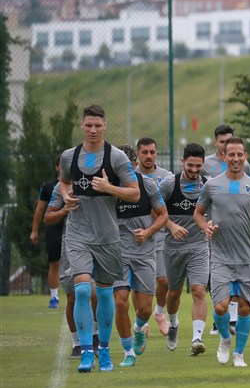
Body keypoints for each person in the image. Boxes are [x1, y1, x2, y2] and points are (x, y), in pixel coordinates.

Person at [59, 104, 140, 373]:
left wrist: (108, 188)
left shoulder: (116, 157)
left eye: (97, 125)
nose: (93, 130)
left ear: (105, 126)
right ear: (82, 126)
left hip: (107, 236)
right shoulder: (69, 156)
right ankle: (86, 352)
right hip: (78, 233)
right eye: (88, 125)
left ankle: (104, 350)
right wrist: (68, 196)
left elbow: (135, 193)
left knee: (105, 295)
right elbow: (64, 181)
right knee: (82, 290)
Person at [194, 137, 250, 368]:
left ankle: (239, 354)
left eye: (240, 155)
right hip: (220, 256)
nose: (236, 159)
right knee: (220, 306)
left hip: (247, 257)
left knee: (245, 307)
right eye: (231, 155)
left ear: (245, 156)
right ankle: (226, 339)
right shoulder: (212, 185)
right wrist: (204, 226)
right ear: (224, 156)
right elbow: (199, 213)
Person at [113, 145, 168, 367]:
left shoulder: (148, 185)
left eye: (127, 166)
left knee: (144, 308)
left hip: (144, 251)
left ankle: (138, 329)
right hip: (117, 252)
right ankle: (128, 352)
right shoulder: (110, 188)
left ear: (134, 165)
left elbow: (163, 216)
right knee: (120, 302)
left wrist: (147, 232)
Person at [159, 143, 209, 356]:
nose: (195, 170)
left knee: (199, 290)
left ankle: (197, 339)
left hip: (199, 246)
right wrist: (170, 225)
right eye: (190, 165)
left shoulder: (208, 185)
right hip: (172, 247)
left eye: (198, 166)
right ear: (183, 162)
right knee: (174, 292)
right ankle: (173, 324)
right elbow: (154, 209)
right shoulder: (169, 184)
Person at [203, 124, 250, 336]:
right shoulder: (206, 165)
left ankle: (231, 319)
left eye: (229, 141)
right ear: (216, 143)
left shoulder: (246, 167)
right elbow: (202, 197)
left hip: (238, 231)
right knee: (219, 272)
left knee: (237, 276)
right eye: (222, 142)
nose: (226, 146)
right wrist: (205, 223)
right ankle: (220, 318)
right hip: (213, 230)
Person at [45, 183, 99, 358]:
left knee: (98, 293)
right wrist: (63, 211)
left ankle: (96, 336)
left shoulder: (104, 176)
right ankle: (77, 343)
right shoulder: (63, 186)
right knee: (73, 296)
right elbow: (48, 217)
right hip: (73, 241)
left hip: (101, 239)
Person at [135, 137, 174, 337]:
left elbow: (167, 209)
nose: (149, 156)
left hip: (160, 237)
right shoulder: (130, 177)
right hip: (136, 237)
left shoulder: (166, 177)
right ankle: (140, 321)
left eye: (152, 152)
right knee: (139, 285)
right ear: (138, 154)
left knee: (165, 280)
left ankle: (159, 313)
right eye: (145, 152)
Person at [31, 155, 64, 309]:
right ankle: (54, 297)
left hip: (74, 229)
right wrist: (34, 231)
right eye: (62, 165)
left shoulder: (77, 185)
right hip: (54, 229)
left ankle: (80, 294)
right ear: (57, 167)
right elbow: (40, 209)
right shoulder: (48, 187)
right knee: (54, 263)